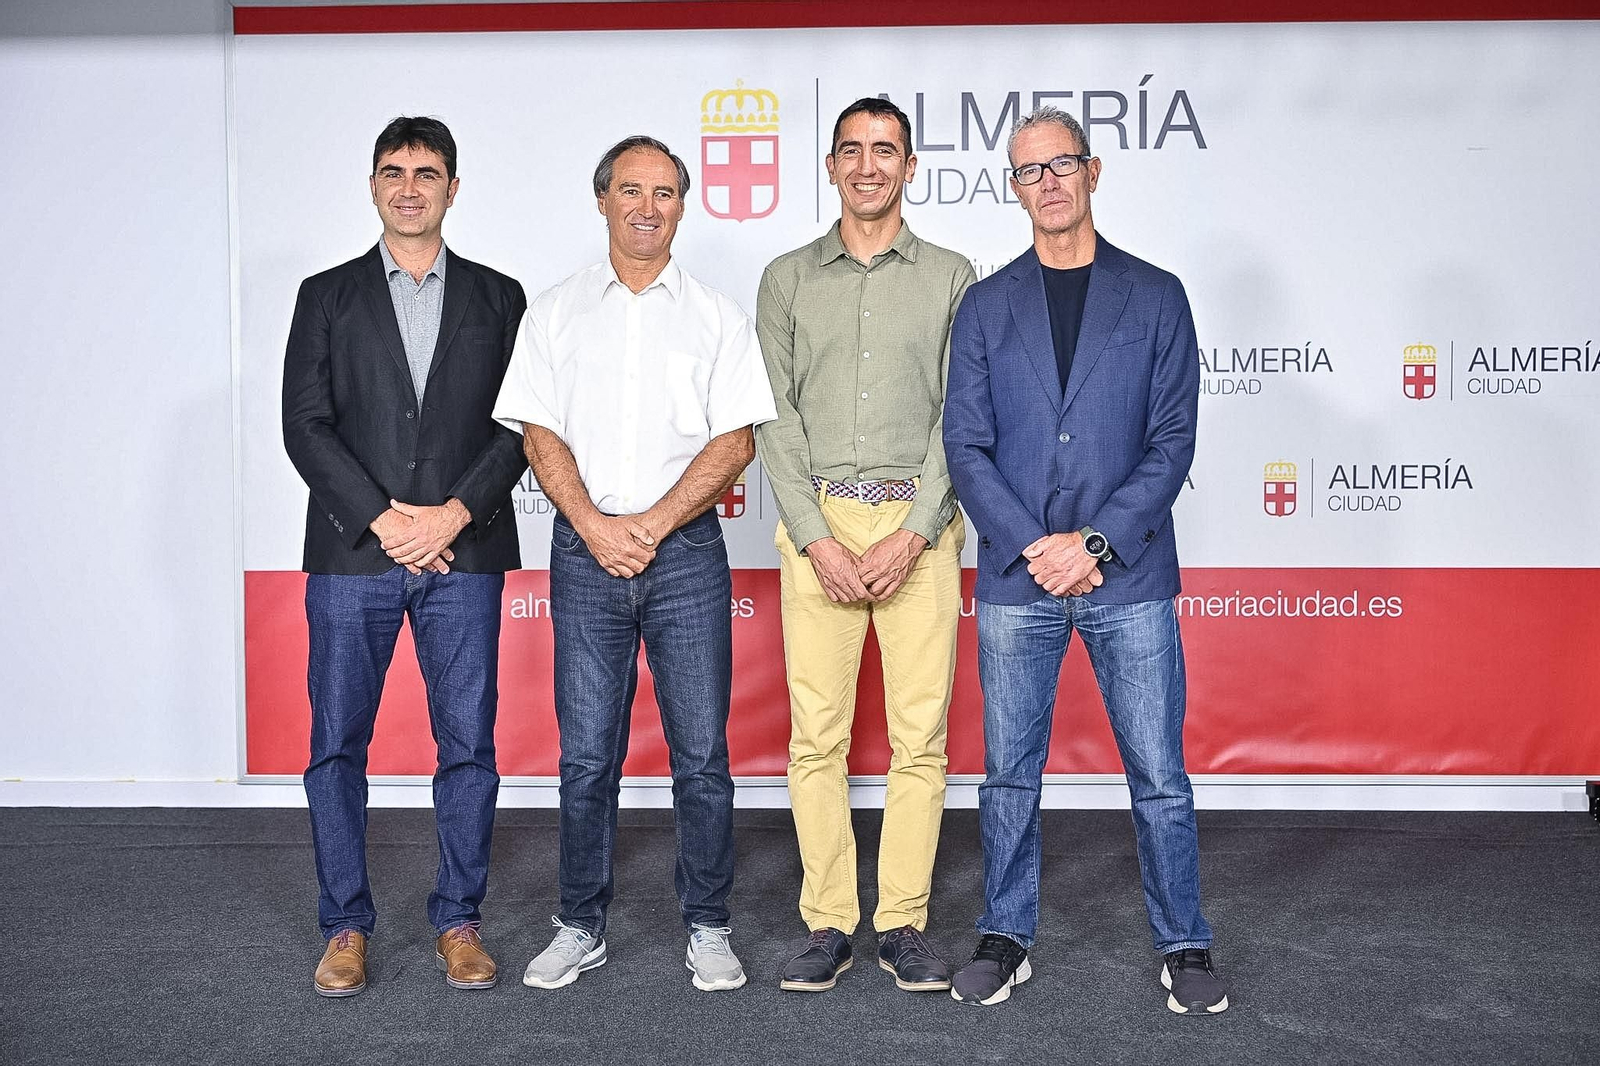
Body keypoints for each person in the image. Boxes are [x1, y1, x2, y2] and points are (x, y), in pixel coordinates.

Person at [942, 105, 1228, 1013]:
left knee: (1158, 774)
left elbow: (1172, 441)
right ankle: (1005, 933)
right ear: (1014, 188)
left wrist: (1094, 542)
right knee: (1008, 773)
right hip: (1020, 577)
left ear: (1094, 172)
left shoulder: (1158, 296)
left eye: (1063, 164)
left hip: (1128, 576)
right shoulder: (986, 306)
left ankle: (1184, 943)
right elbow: (966, 445)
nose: (1049, 182)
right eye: (1030, 170)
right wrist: (1039, 545)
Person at [492, 135, 776, 993]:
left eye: (664, 192)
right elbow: (538, 429)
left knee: (701, 756)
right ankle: (579, 924)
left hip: (684, 553)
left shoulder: (718, 315)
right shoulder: (555, 311)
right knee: (586, 758)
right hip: (583, 552)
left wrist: (650, 523)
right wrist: (592, 521)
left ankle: (709, 925)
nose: (646, 207)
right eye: (630, 190)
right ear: (603, 200)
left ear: (683, 207)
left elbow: (737, 440)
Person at [282, 116, 528, 997]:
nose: (411, 186)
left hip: (463, 556)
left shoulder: (501, 298)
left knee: (467, 746)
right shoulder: (326, 295)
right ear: (374, 185)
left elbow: (522, 427)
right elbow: (303, 427)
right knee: (335, 748)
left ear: (453, 189)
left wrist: (453, 516)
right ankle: (344, 926)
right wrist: (389, 522)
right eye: (394, 171)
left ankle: (459, 922)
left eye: (428, 172)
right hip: (355, 559)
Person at [754, 98, 974, 994]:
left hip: (922, 528)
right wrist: (817, 538)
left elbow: (965, 416)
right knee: (818, 739)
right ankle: (829, 922)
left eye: (886, 150)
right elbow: (774, 417)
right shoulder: (786, 278)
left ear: (911, 166)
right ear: (832, 165)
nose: (869, 165)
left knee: (920, 739)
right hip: (820, 530)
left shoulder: (956, 276)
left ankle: (904, 923)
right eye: (852, 150)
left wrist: (917, 529)